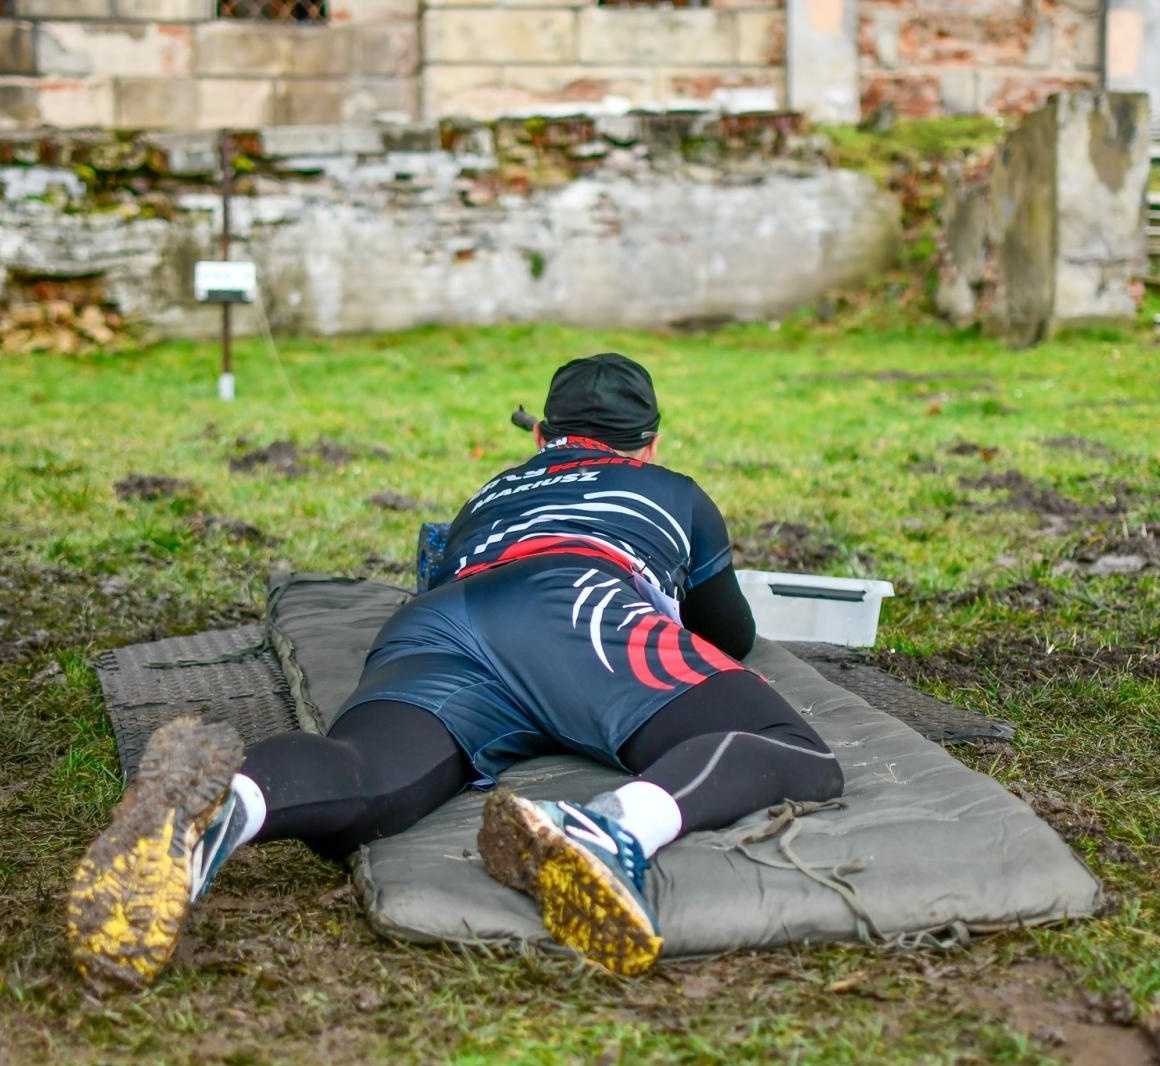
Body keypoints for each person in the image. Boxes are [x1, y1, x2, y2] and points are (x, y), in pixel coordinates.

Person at [67, 353, 844, 989]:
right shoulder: (675, 492)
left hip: (444, 619)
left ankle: (222, 809)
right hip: (582, 606)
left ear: (541, 435)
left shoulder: (492, 491)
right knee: (790, 746)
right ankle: (609, 831)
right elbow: (730, 633)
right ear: (649, 444)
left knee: (365, 772)